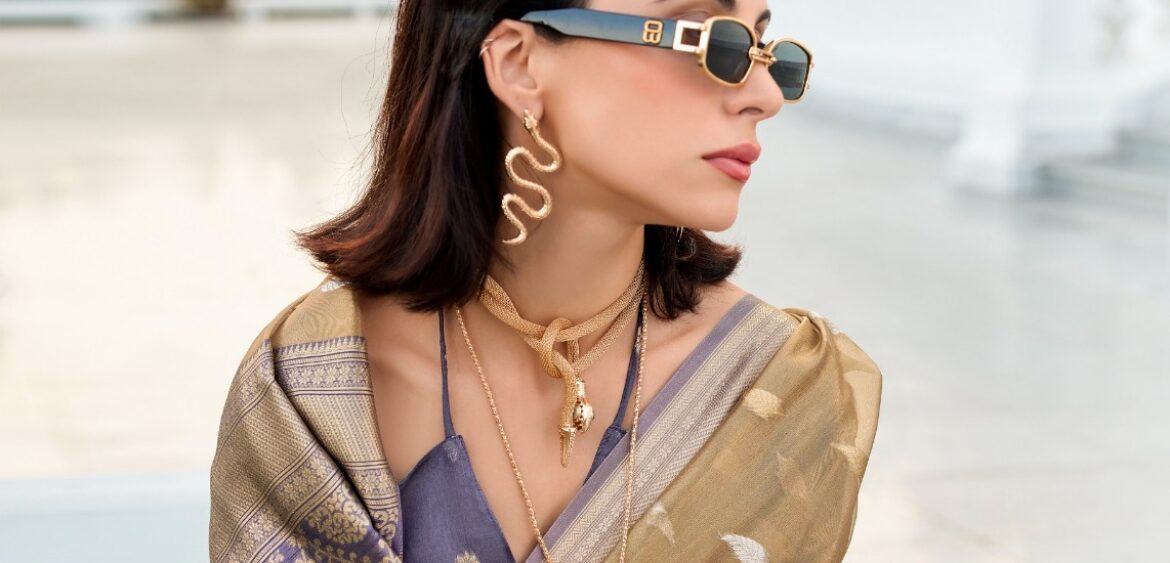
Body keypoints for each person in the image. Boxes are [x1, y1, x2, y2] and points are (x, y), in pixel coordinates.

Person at [208, 1, 882, 562]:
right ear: (519, 65)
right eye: (710, 39)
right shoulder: (309, 395)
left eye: (767, 51)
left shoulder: (781, 390)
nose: (765, 96)